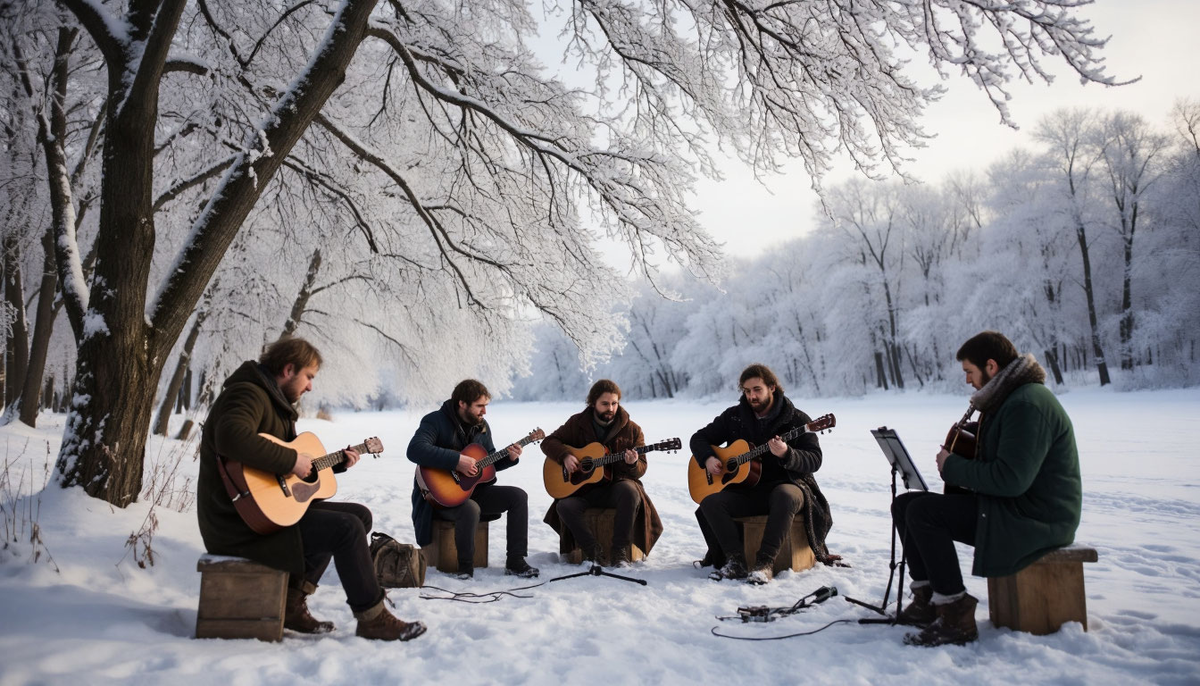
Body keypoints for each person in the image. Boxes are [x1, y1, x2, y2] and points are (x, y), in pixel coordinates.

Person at [197, 337, 425, 641]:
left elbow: (278, 473)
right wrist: (292, 460)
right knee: (345, 529)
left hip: (259, 510)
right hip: (238, 521)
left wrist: (336, 464)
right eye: (309, 377)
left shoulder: (272, 401)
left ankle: (292, 602)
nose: (310, 387)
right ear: (289, 369)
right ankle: (372, 617)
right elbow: (232, 438)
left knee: (359, 515)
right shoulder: (247, 394)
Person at [892, 331, 1081, 647]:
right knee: (906, 505)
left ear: (991, 366)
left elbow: (1010, 479)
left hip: (1036, 519)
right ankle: (927, 599)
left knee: (925, 512)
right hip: (1014, 509)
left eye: (969, 371)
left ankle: (955, 613)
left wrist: (951, 466)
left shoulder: (1028, 404)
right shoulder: (1009, 400)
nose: (967, 380)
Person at [692, 364, 834, 584]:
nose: (752, 396)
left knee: (784, 495)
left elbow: (815, 459)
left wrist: (788, 454)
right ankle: (736, 562)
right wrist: (709, 458)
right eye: (747, 391)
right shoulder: (734, 417)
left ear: (772, 387)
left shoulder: (796, 419)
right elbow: (698, 438)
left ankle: (764, 563)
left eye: (757, 389)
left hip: (789, 485)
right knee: (710, 502)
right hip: (749, 491)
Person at [407, 379, 539, 579]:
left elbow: (487, 465)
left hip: (472, 491)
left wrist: (509, 458)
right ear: (462, 403)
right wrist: (456, 461)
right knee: (470, 508)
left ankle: (515, 561)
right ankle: (465, 568)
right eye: (480, 406)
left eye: (486, 406)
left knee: (518, 496)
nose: (484, 412)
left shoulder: (482, 427)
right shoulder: (435, 421)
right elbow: (415, 449)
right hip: (439, 498)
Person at [541, 380, 664, 566]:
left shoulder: (632, 429)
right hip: (584, 491)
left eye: (614, 403)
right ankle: (593, 551)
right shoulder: (577, 423)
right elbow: (548, 442)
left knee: (630, 492)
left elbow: (641, 469)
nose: (611, 408)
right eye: (605, 404)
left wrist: (632, 463)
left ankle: (619, 552)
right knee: (564, 506)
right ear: (593, 403)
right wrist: (565, 455)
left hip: (616, 487)